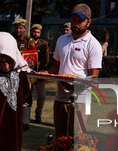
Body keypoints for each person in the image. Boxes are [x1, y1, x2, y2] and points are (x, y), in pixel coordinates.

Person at [40, 4, 102, 138]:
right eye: (74, 20)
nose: (76, 24)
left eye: (80, 21)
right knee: (59, 140)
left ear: (89, 22)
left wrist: (74, 86)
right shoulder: (62, 40)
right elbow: (56, 67)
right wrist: (44, 74)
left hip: (81, 101)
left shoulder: (93, 44)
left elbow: (93, 77)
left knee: (76, 140)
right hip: (60, 97)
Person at [12, 18, 35, 131]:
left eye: (20, 27)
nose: (18, 30)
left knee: (25, 97)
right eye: (16, 27)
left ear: (24, 28)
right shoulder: (10, 39)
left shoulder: (28, 41)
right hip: (12, 72)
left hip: (25, 73)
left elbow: (33, 59)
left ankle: (25, 122)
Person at [27, 23, 49, 124]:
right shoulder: (27, 41)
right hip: (29, 73)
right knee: (28, 95)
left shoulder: (44, 43)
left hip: (40, 73)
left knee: (42, 95)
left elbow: (47, 58)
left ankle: (38, 114)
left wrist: (45, 70)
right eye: (34, 32)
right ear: (31, 31)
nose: (36, 33)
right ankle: (26, 116)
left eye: (38, 32)